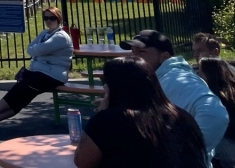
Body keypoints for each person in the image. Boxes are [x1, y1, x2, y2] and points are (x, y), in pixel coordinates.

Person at [73, 56, 207, 167]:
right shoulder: (182, 117)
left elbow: (82, 162)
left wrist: (103, 111)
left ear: (115, 89)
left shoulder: (108, 120)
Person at [121, 29, 229, 167]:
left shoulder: (176, 79)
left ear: (164, 57)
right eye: (132, 51)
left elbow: (216, 114)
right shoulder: (160, 78)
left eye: (142, 52)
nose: (134, 57)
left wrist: (184, 153)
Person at [0, 7, 73, 130]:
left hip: (53, 76)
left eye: (52, 18)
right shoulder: (44, 34)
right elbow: (30, 49)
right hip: (42, 73)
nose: (49, 21)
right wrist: (37, 50)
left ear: (59, 19)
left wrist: (37, 50)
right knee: (22, 97)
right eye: (46, 18)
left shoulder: (61, 36)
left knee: (21, 89)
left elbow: (37, 50)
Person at [197, 57, 235, 167]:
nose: (198, 75)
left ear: (210, 75)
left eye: (201, 71)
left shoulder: (219, 100)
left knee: (211, 142)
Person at [194, 33, 235, 104]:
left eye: (200, 51)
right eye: (195, 51)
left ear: (215, 52)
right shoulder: (215, 71)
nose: (195, 55)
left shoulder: (228, 75)